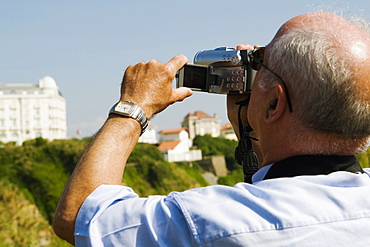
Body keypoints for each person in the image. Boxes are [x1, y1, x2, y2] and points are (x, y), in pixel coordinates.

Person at [53, 12, 370, 246]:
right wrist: (252, 123)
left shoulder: (211, 223)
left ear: (275, 103)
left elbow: (81, 216)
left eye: (259, 60)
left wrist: (134, 107)